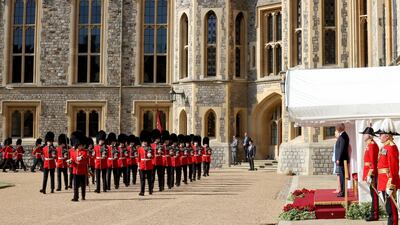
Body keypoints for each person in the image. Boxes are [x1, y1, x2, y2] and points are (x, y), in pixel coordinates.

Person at [376, 119, 400, 225]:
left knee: (392, 210)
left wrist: (391, 184)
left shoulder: (391, 147)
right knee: (388, 209)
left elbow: (394, 167)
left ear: (387, 135)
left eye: (381, 134)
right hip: (383, 181)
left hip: (388, 182)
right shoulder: (384, 147)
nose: (380, 136)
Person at [360, 126, 379, 221]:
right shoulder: (369, 144)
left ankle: (375, 214)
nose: (363, 135)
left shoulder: (371, 145)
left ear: (370, 136)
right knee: (372, 194)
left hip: (371, 173)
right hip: (369, 172)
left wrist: (370, 174)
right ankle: (373, 212)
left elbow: (373, 162)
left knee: (374, 194)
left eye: (365, 134)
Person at [69, 132, 89, 202]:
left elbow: (85, 158)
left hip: (82, 170)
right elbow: (72, 160)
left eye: (81, 145)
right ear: (77, 145)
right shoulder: (73, 152)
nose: (81, 146)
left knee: (83, 185)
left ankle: (83, 196)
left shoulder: (84, 152)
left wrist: (81, 158)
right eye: (80, 145)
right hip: (75, 171)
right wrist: (70, 161)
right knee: (75, 185)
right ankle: (75, 197)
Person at [334, 123, 349, 198]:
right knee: (341, 176)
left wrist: (339, 159)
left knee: (342, 177)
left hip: (342, 160)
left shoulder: (343, 136)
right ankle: (342, 191)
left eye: (337, 128)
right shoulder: (342, 135)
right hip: (341, 160)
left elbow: (342, 149)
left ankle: (343, 192)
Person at [138, 130, 154, 196]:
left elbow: (153, 157)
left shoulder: (150, 148)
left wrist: (151, 156)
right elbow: (138, 157)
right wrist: (138, 165)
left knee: (149, 179)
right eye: (143, 142)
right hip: (142, 165)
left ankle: (150, 190)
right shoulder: (140, 149)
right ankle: (142, 191)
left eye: (145, 142)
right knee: (142, 180)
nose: (144, 143)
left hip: (149, 165)